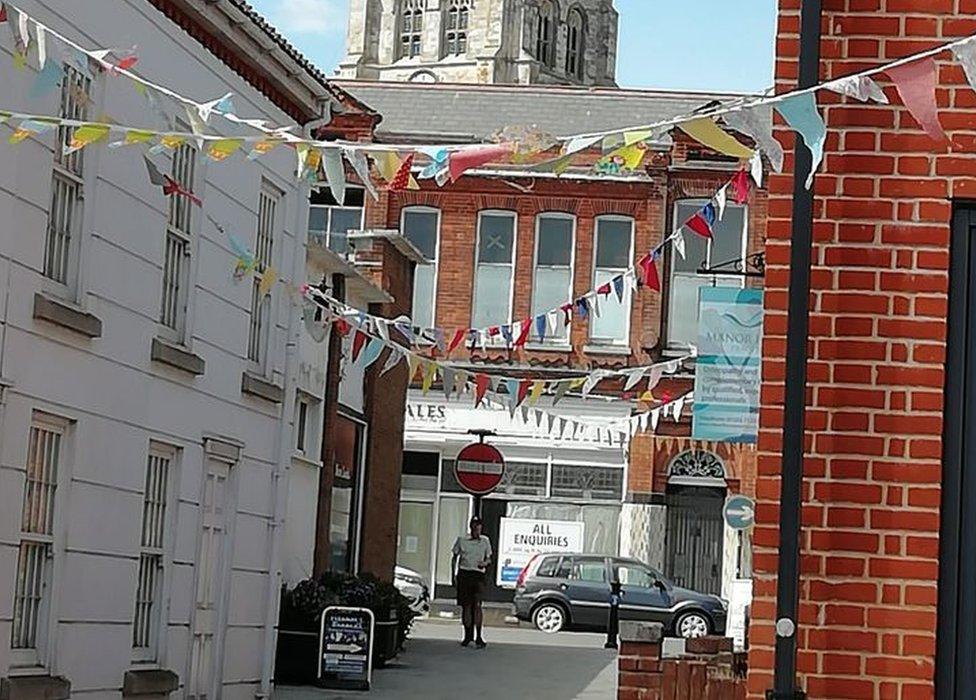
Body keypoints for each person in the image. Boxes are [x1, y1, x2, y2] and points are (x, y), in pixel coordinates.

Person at [451, 515, 492, 649]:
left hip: (478, 574)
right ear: (471, 528)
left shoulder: (485, 541)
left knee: (477, 605)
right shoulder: (462, 540)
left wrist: (484, 563)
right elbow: (454, 557)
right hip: (465, 573)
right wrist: (454, 575)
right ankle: (467, 635)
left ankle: (479, 635)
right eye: (474, 528)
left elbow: (489, 559)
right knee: (466, 606)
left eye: (478, 528)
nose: (476, 531)